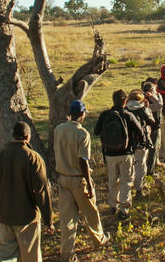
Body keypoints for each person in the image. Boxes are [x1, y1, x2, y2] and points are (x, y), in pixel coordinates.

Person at [0, 121, 54, 262]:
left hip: (5, 217)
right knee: (31, 257)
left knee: (4, 256)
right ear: (27, 137)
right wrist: (48, 220)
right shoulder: (34, 158)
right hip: (27, 218)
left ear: (13, 136)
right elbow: (41, 192)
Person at [53, 100, 110, 262]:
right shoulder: (82, 134)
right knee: (90, 212)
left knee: (67, 219)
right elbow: (83, 160)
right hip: (78, 179)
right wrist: (90, 183)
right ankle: (99, 239)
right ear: (82, 114)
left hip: (62, 177)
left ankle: (67, 253)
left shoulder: (59, 129)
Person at [94, 89, 145, 220]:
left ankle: (113, 205)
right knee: (126, 181)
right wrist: (133, 143)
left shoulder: (105, 115)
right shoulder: (127, 115)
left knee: (112, 180)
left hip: (109, 154)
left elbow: (96, 131)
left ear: (113, 100)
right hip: (126, 153)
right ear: (125, 101)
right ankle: (124, 208)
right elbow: (141, 132)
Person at [125, 89, 155, 198]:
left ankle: (127, 189)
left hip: (128, 142)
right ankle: (139, 189)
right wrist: (147, 108)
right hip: (141, 141)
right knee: (141, 165)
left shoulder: (125, 109)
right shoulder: (144, 110)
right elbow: (152, 122)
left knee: (129, 166)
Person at [142, 80, 163, 174]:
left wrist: (151, 97)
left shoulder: (157, 96)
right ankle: (149, 171)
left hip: (155, 126)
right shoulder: (143, 100)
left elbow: (159, 105)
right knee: (151, 150)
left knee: (154, 149)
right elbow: (158, 106)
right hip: (149, 128)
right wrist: (149, 97)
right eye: (153, 90)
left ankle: (150, 168)